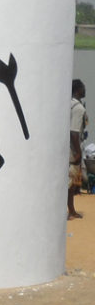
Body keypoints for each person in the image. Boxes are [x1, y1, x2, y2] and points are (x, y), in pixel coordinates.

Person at [69, 79, 88, 219]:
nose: (84, 89)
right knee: (71, 182)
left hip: (68, 148)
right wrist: (78, 152)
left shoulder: (69, 104)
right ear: (77, 89)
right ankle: (70, 210)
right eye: (82, 87)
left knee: (72, 183)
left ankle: (71, 209)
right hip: (73, 149)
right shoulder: (78, 108)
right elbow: (74, 132)